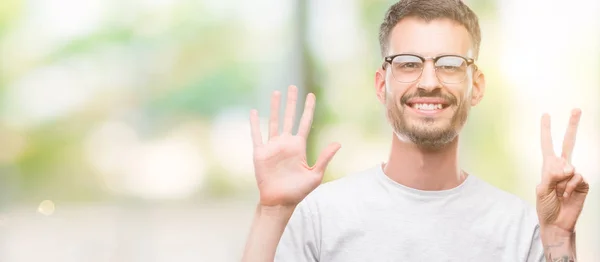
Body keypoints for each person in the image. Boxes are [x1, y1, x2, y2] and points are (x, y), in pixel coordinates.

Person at [242, 0, 590, 261]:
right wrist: (271, 212)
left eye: (450, 64)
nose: (428, 82)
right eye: (408, 63)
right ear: (382, 85)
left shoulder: (520, 226)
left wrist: (559, 236)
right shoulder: (322, 216)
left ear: (477, 86)